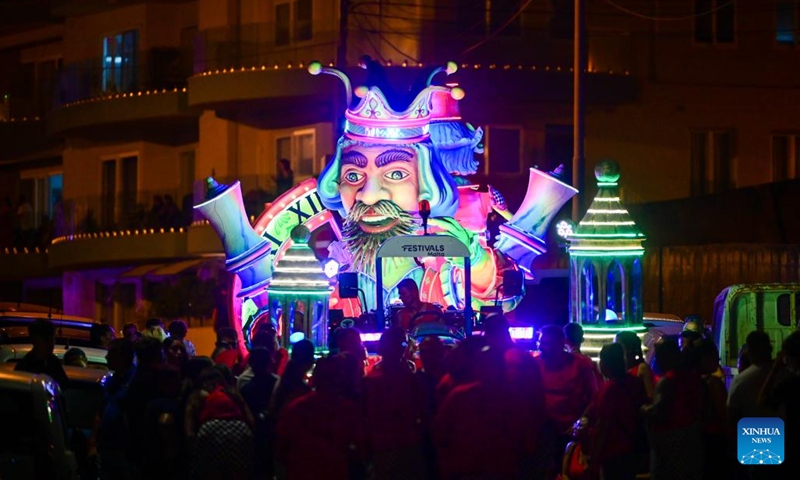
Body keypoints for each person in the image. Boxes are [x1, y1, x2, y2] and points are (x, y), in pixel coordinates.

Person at [275, 356, 365, 480]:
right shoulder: (347, 409)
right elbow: (360, 449)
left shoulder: (296, 407)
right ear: (339, 379)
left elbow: (281, 448)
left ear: (315, 378)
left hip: (301, 473)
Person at [533, 324, 599, 478]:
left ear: (560, 344)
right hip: (546, 430)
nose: (541, 346)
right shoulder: (535, 364)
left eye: (546, 342)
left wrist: (581, 420)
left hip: (573, 431)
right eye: (540, 342)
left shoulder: (580, 364)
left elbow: (594, 396)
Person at [584, 343, 648, 480]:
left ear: (605, 364)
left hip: (613, 451)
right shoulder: (634, 382)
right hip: (633, 447)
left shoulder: (609, 390)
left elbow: (603, 425)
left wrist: (594, 456)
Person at [15, 318, 69, 388]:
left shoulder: (53, 363)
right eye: (46, 339)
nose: (51, 344)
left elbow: (64, 387)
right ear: (34, 340)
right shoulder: (24, 367)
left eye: (52, 339)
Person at [615, 330, 657, 399]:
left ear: (629, 348)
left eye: (618, 345)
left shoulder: (642, 368)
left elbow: (651, 395)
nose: (615, 350)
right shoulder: (621, 369)